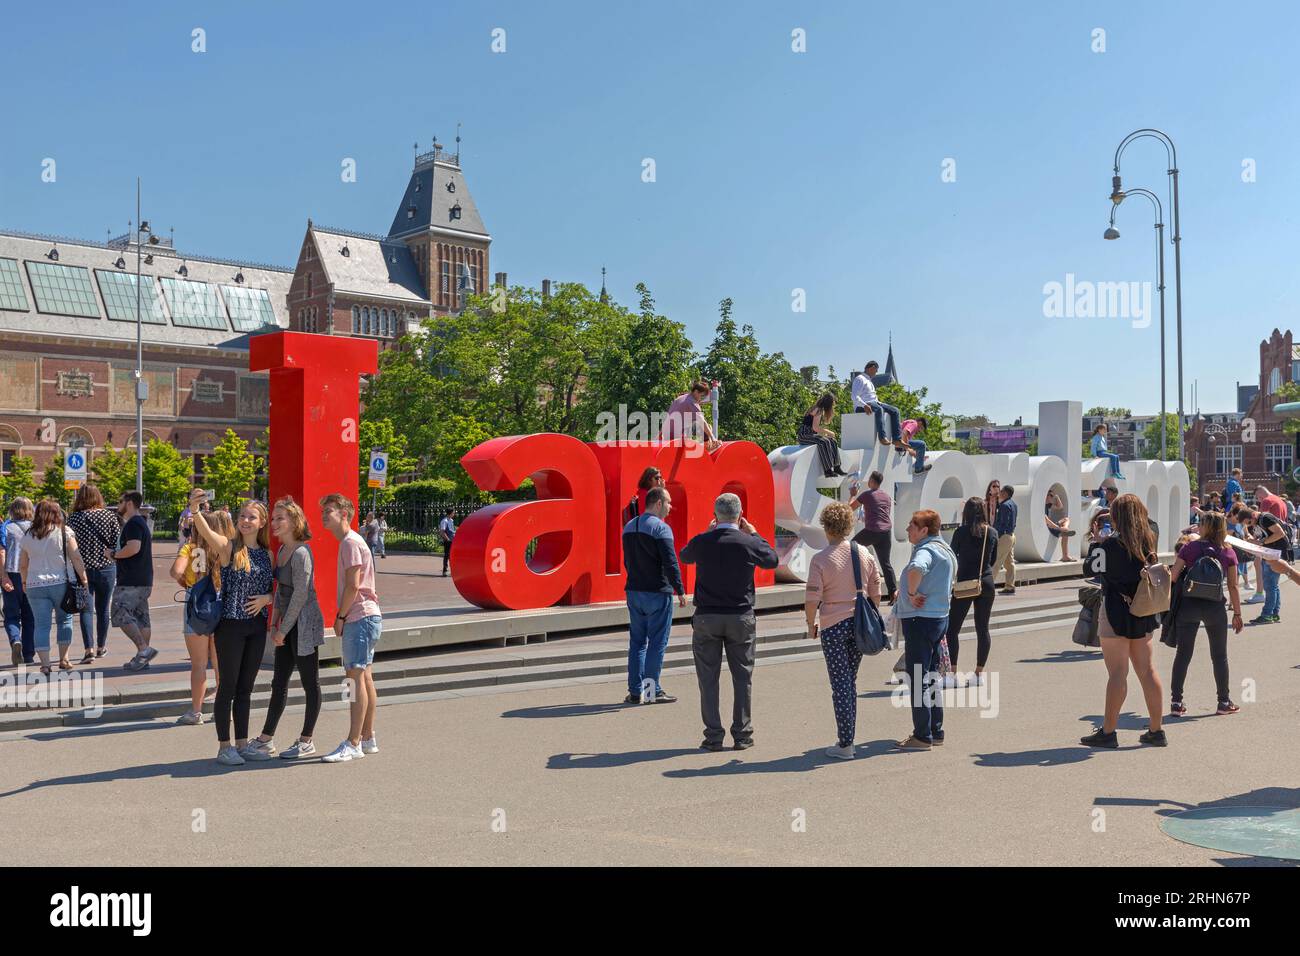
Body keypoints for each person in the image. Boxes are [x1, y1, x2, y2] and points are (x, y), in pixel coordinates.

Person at [679, 493, 779, 752]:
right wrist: (755, 534)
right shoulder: (748, 541)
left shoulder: (703, 541)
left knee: (708, 678)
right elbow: (772, 560)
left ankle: (713, 736)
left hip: (707, 617)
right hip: (740, 616)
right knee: (742, 677)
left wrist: (705, 533)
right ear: (741, 514)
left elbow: (685, 555)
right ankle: (742, 734)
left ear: (715, 515)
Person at [188, 491, 273, 766]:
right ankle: (225, 746)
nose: (245, 520)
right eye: (242, 516)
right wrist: (195, 509)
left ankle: (242, 743)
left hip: (256, 627)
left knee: (246, 688)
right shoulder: (229, 547)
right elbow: (204, 530)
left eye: (252, 517)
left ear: (262, 522)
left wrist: (267, 599)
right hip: (230, 626)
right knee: (228, 687)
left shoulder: (268, 554)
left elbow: (278, 589)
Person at [1080, 494, 1166, 749]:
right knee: (1148, 671)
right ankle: (1156, 729)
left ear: (1116, 517)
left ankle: (1108, 731)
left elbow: (1089, 569)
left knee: (1118, 673)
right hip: (1144, 608)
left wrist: (1097, 541)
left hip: (1116, 609)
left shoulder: (1108, 547)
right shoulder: (1151, 537)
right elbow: (1149, 522)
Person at [245, 497, 326, 759]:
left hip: (304, 624)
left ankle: (306, 739)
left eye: (281, 518)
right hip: (288, 624)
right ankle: (266, 739)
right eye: (274, 519)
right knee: (278, 682)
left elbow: (301, 595)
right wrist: (274, 623)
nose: (275, 523)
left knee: (309, 682)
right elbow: (280, 593)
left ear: (294, 522)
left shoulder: (302, 553)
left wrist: (282, 629)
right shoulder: (281, 551)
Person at [804, 501, 881, 759]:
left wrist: (810, 622)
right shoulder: (863, 553)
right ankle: (849, 737)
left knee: (840, 683)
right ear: (849, 526)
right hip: (858, 623)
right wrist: (869, 610)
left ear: (826, 527)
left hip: (833, 624)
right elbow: (876, 588)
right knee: (850, 681)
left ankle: (846, 742)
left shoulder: (820, 560)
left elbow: (812, 597)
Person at [320, 493, 383, 763]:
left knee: (354, 678)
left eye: (329, 511)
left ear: (345, 514)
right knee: (364, 676)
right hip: (367, 617)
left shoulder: (349, 543)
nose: (324, 515)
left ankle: (353, 742)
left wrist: (341, 616)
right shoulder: (352, 541)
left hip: (358, 616)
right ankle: (367, 738)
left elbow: (353, 585)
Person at [1168, 511, 1242, 717]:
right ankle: (1223, 702)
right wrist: (1237, 614)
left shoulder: (1189, 547)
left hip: (1189, 605)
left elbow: (1173, 576)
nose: (1198, 526)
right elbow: (1234, 586)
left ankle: (1176, 702)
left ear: (1205, 527)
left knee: (1183, 654)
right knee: (1219, 656)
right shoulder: (1228, 552)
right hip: (1215, 607)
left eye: (1200, 523)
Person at [895, 509, 954, 750]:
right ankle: (935, 730)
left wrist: (911, 593)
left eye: (912, 525)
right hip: (938, 617)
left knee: (918, 677)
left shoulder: (926, 550)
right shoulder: (946, 550)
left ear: (924, 530)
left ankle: (922, 735)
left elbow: (916, 569)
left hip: (921, 619)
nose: (908, 528)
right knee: (930, 676)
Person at [621, 486, 686, 705]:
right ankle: (652, 692)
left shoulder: (629, 526)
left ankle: (634, 691)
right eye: (668, 502)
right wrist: (680, 589)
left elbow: (627, 561)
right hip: (657, 592)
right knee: (657, 643)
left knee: (637, 643)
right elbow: (670, 561)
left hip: (634, 591)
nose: (670, 507)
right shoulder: (662, 529)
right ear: (658, 503)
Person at [170, 508, 234, 725]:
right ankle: (223, 710)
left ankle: (196, 711)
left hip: (196, 605)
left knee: (198, 664)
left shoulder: (190, 548)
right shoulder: (223, 549)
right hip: (219, 605)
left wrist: (188, 585)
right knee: (221, 663)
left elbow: (176, 571)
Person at [18, 499, 89, 675]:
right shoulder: (64, 532)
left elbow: (23, 565)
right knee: (64, 620)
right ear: (57, 513)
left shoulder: (28, 535)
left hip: (35, 585)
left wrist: (24, 582)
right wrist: (84, 579)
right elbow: (76, 558)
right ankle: (64, 659)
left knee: (41, 625)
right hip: (61, 583)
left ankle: (45, 664)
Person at [65, 484, 120, 663]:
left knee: (85, 610)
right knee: (103, 609)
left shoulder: (74, 519)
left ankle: (88, 650)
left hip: (83, 571)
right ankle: (101, 647)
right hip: (107, 568)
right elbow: (116, 542)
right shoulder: (109, 516)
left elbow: (69, 545)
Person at [947, 497, 997, 686]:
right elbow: (991, 561)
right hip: (986, 582)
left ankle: (952, 673)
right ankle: (979, 673)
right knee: (982, 629)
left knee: (952, 629)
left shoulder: (960, 532)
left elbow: (952, 555)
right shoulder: (992, 532)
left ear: (966, 512)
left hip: (965, 583)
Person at [110, 491, 156, 672]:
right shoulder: (141, 522)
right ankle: (142, 658)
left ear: (129, 503)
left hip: (131, 580)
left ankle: (144, 651)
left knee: (119, 612)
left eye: (120, 502)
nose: (118, 505)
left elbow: (133, 548)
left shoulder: (133, 524)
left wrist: (114, 554)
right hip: (143, 579)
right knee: (141, 617)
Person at [850, 470, 897, 603]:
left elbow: (849, 509)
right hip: (886, 532)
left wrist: (853, 495)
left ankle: (852, 584)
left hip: (872, 531)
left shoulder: (866, 495)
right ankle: (894, 594)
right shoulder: (887, 496)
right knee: (886, 563)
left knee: (850, 548)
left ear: (871, 481)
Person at [1242, 506, 1291, 625]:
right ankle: (1273, 614)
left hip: (1275, 554)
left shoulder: (1265, 518)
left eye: (1249, 523)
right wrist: (1253, 540)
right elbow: (1266, 535)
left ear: (1253, 515)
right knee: (1272, 585)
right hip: (1270, 553)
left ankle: (1267, 615)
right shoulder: (1259, 520)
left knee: (1270, 586)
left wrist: (1261, 542)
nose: (1250, 526)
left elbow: (1280, 533)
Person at [1, 498, 35, 666]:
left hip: (12, 574)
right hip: (32, 575)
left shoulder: (6, 527)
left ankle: (15, 640)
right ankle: (29, 654)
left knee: (12, 614)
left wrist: (3, 576)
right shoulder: (36, 528)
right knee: (30, 615)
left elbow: (1, 552)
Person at [851, 361, 904, 448]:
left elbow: (873, 398)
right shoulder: (860, 379)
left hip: (874, 403)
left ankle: (896, 439)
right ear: (872, 368)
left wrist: (881, 403)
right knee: (879, 409)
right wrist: (864, 405)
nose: (876, 373)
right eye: (876, 371)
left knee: (895, 410)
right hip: (862, 406)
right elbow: (854, 396)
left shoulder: (869, 381)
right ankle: (882, 437)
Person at [797, 393, 847, 479]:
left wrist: (828, 434)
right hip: (804, 435)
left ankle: (837, 466)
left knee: (832, 441)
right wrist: (828, 432)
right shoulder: (818, 410)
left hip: (809, 433)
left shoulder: (818, 408)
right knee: (824, 441)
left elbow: (814, 429)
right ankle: (827, 470)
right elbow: (815, 427)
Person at [661, 380, 720, 450]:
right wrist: (713, 438)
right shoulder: (692, 402)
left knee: (699, 425)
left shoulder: (681, 398)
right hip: (676, 436)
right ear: (696, 392)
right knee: (706, 427)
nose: (701, 399)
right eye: (702, 396)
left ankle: (705, 445)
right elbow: (702, 421)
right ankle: (707, 448)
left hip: (666, 433)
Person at [992, 484, 1018, 594]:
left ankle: (987, 586)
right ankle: (1010, 586)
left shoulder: (1004, 506)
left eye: (1001, 490)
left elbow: (1002, 523)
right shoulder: (1013, 504)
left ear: (1006, 493)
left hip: (1004, 536)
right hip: (1011, 535)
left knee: (996, 562)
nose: (1000, 492)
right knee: (1009, 563)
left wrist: (997, 535)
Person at [1043, 489, 1075, 561]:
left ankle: (1064, 528)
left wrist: (1056, 497)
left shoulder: (1048, 505)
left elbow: (1060, 507)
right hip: (1048, 526)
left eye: (1052, 496)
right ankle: (1065, 556)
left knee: (1066, 519)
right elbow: (1047, 520)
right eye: (1051, 496)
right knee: (1066, 531)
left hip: (1051, 525)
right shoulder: (1041, 506)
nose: (1052, 498)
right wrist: (1059, 528)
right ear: (1046, 496)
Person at [438, 508, 456, 577]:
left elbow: (452, 530)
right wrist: (447, 539)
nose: (454, 514)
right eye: (453, 513)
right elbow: (442, 531)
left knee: (452, 556)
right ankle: (444, 571)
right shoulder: (444, 521)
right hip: (448, 540)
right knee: (447, 555)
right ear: (450, 513)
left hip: (452, 540)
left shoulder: (451, 520)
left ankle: (453, 571)